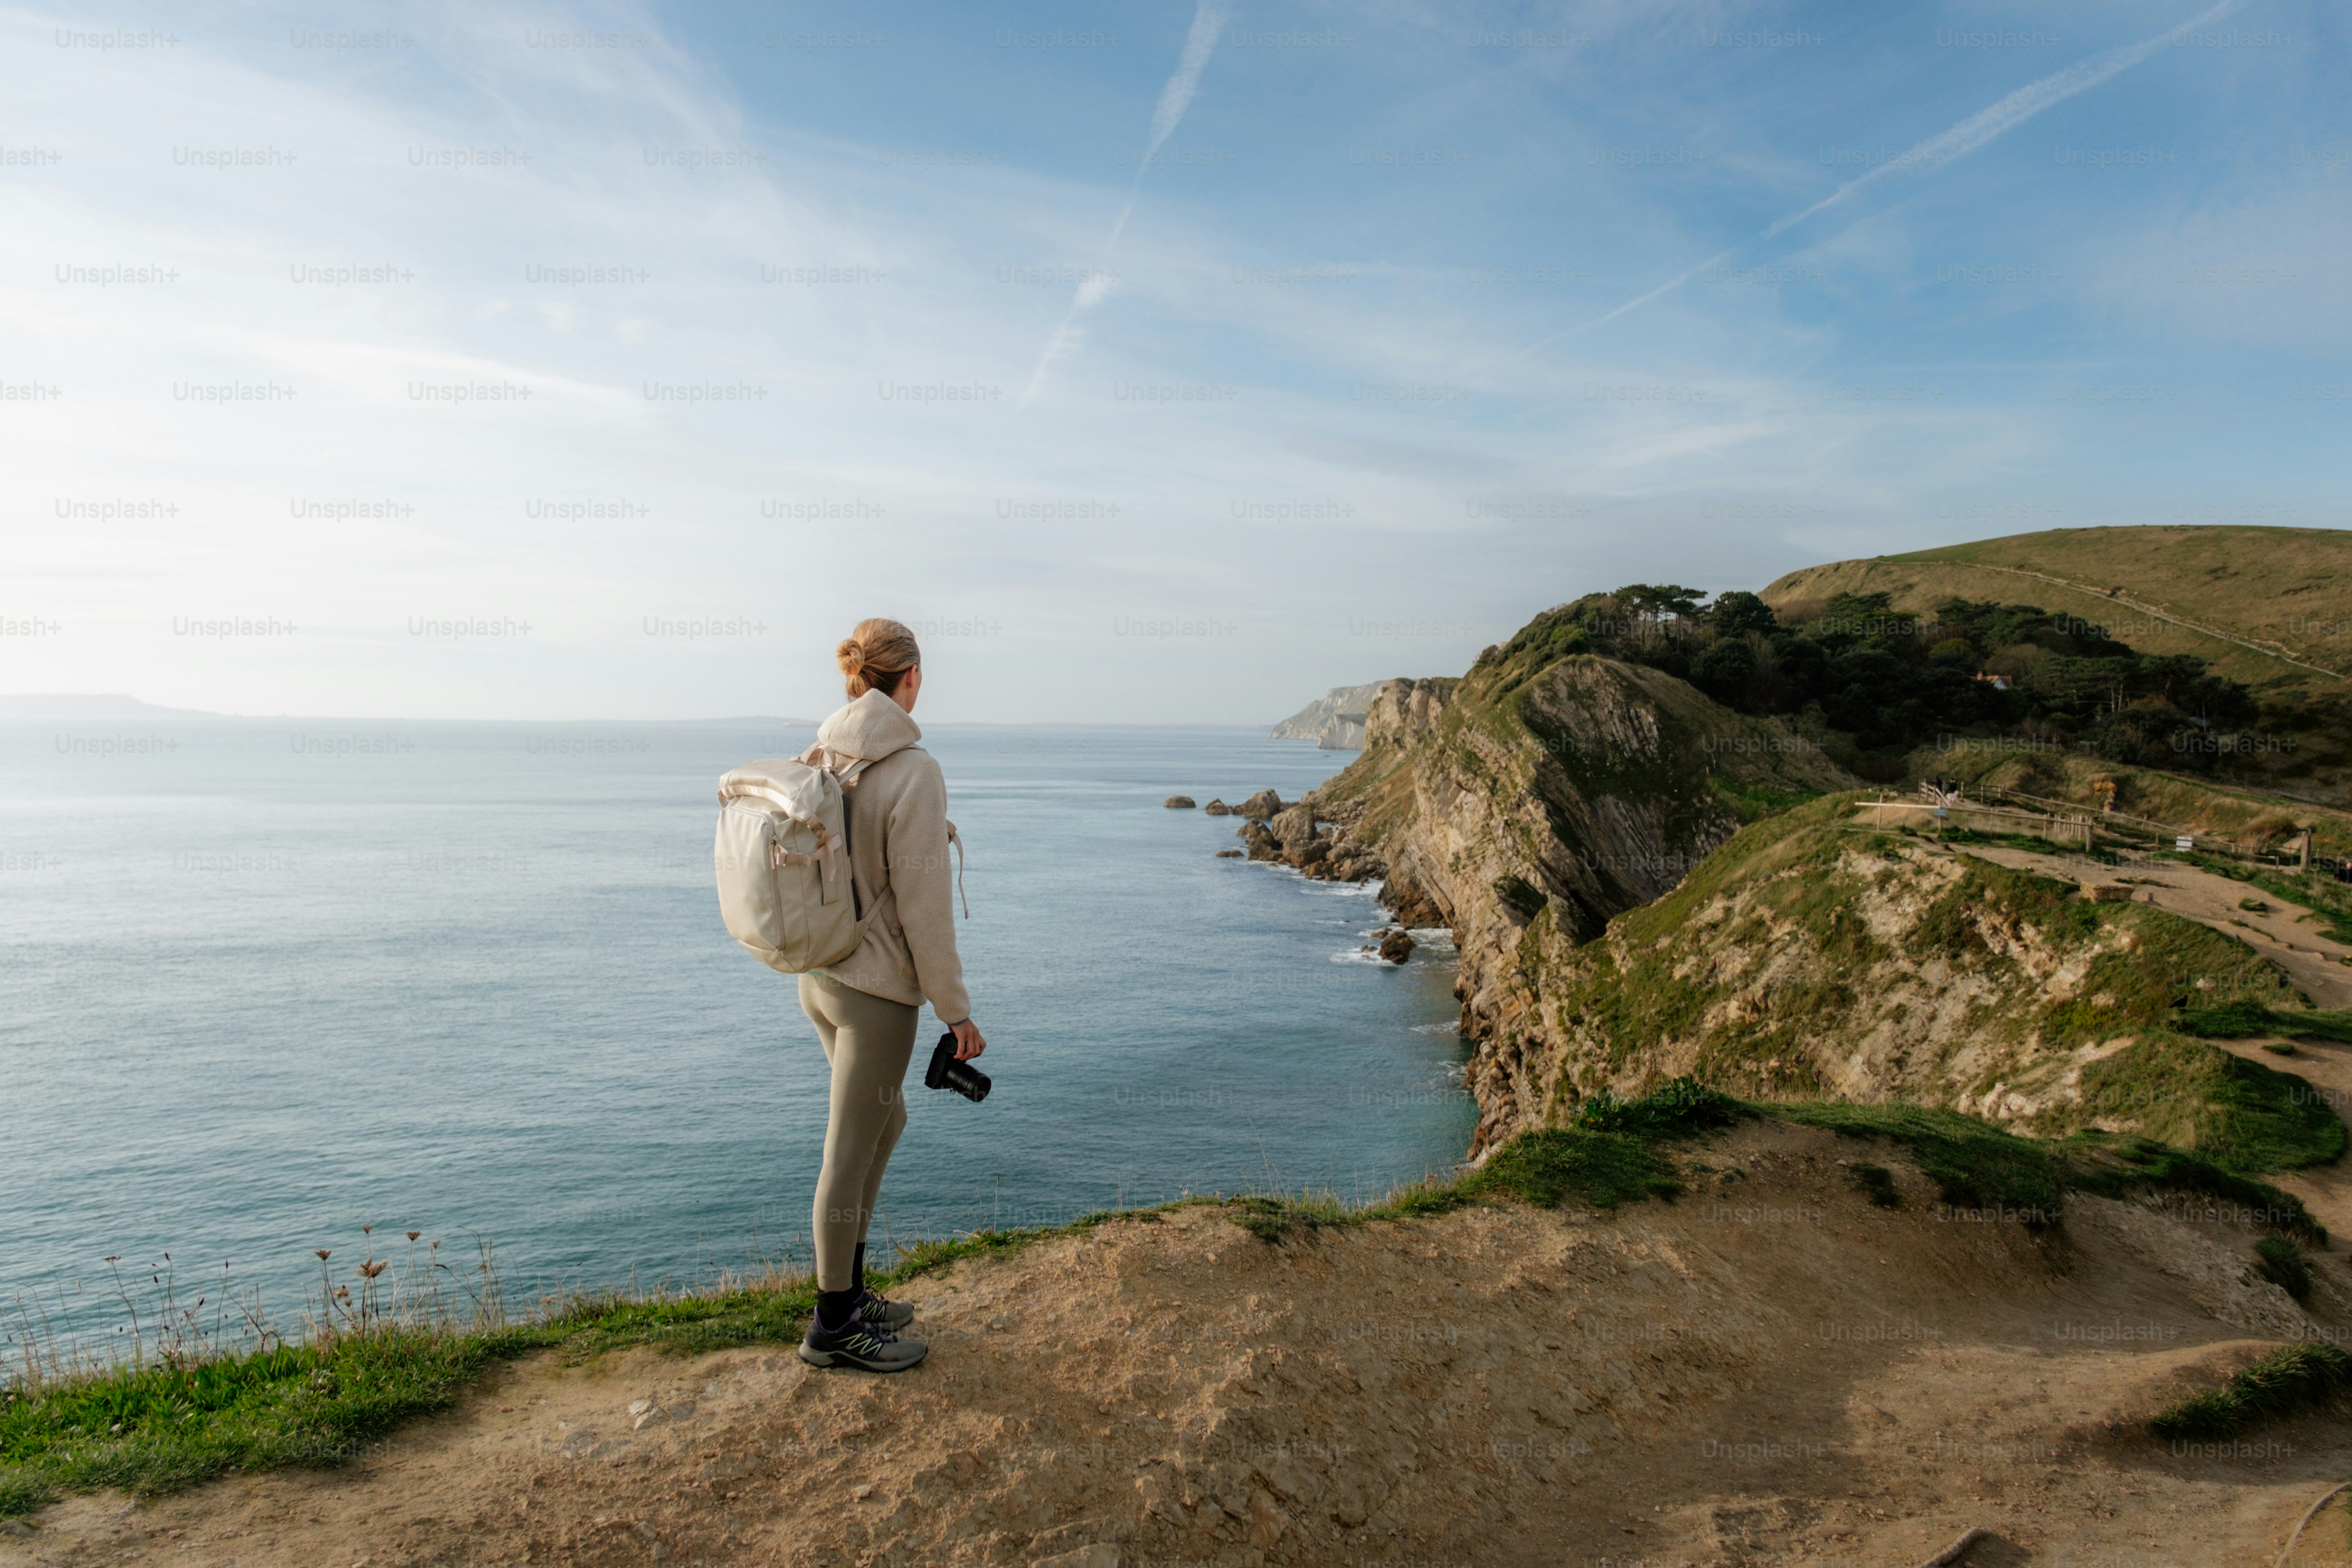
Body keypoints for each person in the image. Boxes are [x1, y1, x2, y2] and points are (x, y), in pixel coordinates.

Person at [795, 617, 985, 1373]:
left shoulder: (826, 751)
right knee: (848, 1151)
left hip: (820, 976)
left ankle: (850, 1292)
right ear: (910, 678)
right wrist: (956, 1010)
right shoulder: (913, 769)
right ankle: (832, 1324)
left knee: (884, 1120)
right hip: (874, 991)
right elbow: (924, 910)